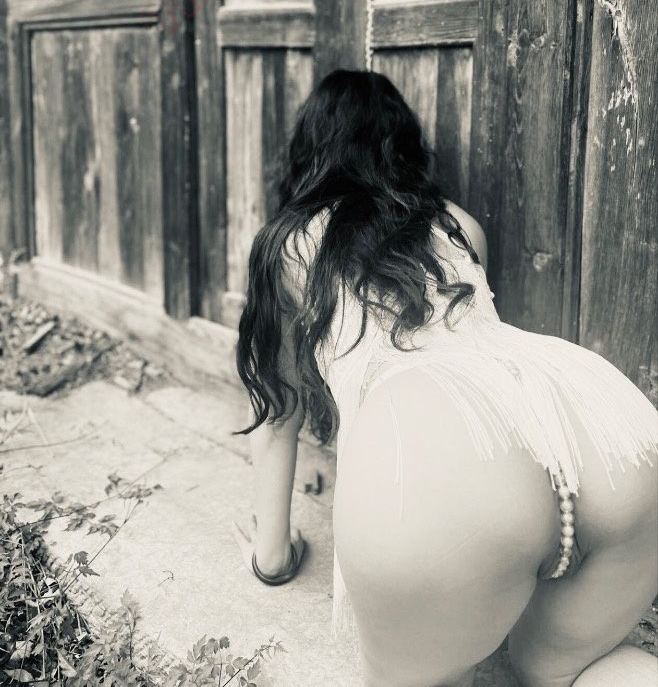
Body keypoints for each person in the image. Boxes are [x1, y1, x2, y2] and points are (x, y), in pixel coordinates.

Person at [232, 69, 658, 687]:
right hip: (609, 427)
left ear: (310, 149)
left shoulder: (291, 244)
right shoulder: (457, 224)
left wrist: (272, 557)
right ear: (403, 145)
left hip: (449, 461)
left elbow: (278, 416)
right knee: (570, 670)